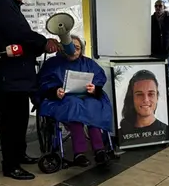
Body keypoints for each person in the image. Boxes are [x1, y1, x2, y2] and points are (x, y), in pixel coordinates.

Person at [0, 0, 60, 180]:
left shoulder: (7, 1)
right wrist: (44, 43)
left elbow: (21, 37)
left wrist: (39, 46)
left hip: (17, 73)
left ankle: (19, 154)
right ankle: (10, 164)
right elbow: (18, 32)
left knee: (21, 117)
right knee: (11, 119)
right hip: (6, 73)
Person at [38, 35, 113, 166]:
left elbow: (99, 80)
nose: (73, 51)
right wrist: (55, 91)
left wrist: (94, 89)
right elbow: (43, 83)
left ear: (81, 50)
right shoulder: (53, 64)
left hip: (88, 97)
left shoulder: (88, 63)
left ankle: (99, 150)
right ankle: (79, 153)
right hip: (63, 99)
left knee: (93, 105)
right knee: (74, 106)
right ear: (63, 48)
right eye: (70, 47)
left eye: (77, 48)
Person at [118, 70, 169, 145]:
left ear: (157, 97)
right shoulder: (121, 135)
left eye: (151, 94)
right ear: (131, 98)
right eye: (139, 94)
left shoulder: (167, 132)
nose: (145, 100)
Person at [151, 0, 169, 98]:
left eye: (160, 6)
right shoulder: (151, 19)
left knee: (167, 69)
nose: (158, 8)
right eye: (156, 6)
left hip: (168, 50)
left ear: (163, 7)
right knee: (159, 70)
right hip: (156, 50)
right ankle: (163, 90)